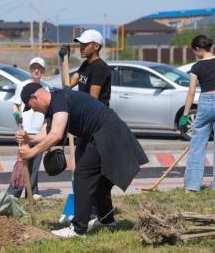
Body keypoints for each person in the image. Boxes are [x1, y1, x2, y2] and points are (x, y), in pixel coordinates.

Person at [16, 83, 148, 237]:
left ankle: (78, 229)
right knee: (100, 180)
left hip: (107, 130)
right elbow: (48, 133)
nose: (34, 110)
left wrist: (31, 152)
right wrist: (29, 138)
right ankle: (106, 220)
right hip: (102, 132)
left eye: (32, 106)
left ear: (35, 97)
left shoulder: (58, 99)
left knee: (82, 174)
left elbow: (56, 135)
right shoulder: (55, 104)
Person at [59, 29, 111, 220]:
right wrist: (63, 60)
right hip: (84, 125)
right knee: (81, 167)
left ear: (96, 46)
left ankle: (96, 212)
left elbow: (92, 101)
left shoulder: (100, 68)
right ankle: (88, 209)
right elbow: (67, 85)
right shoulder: (85, 66)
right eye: (80, 44)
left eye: (85, 44)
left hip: (96, 126)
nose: (81, 47)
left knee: (89, 171)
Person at [7, 57, 48, 200]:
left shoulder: (45, 89)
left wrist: (45, 128)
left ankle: (33, 191)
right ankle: (14, 191)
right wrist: (16, 115)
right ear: (30, 70)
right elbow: (15, 104)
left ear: (43, 70)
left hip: (39, 132)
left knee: (36, 163)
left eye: (39, 68)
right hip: (25, 130)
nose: (36, 70)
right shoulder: (22, 86)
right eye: (33, 68)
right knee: (22, 162)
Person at [180, 35, 215, 192]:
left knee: (197, 146)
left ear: (199, 49)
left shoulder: (196, 67)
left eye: (194, 51)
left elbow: (191, 93)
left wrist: (185, 115)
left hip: (206, 102)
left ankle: (192, 186)